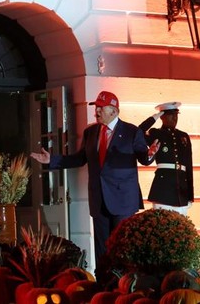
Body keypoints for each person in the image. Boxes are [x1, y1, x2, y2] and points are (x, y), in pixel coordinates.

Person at [30, 91, 159, 273]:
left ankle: (123, 289)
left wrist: (151, 153)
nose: (96, 111)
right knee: (102, 250)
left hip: (122, 200)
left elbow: (143, 158)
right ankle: (102, 288)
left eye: (100, 108)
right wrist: (52, 160)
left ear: (114, 111)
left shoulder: (132, 132)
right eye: (96, 107)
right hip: (99, 199)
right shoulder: (91, 132)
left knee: (123, 249)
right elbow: (79, 159)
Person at [139, 102, 194, 215]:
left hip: (181, 190)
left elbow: (189, 165)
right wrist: (154, 117)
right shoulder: (156, 133)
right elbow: (138, 132)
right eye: (170, 115)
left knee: (181, 228)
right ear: (162, 117)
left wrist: (190, 195)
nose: (175, 118)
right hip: (163, 188)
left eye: (176, 115)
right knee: (162, 225)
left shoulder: (183, 136)